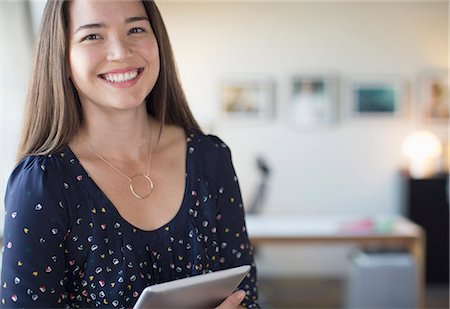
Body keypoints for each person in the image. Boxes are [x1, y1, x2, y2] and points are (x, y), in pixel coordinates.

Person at [0, 1, 259, 308]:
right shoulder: (42, 183)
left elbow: (245, 296)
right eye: (92, 36)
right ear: (62, 58)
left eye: (135, 29)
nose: (121, 52)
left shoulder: (210, 157)